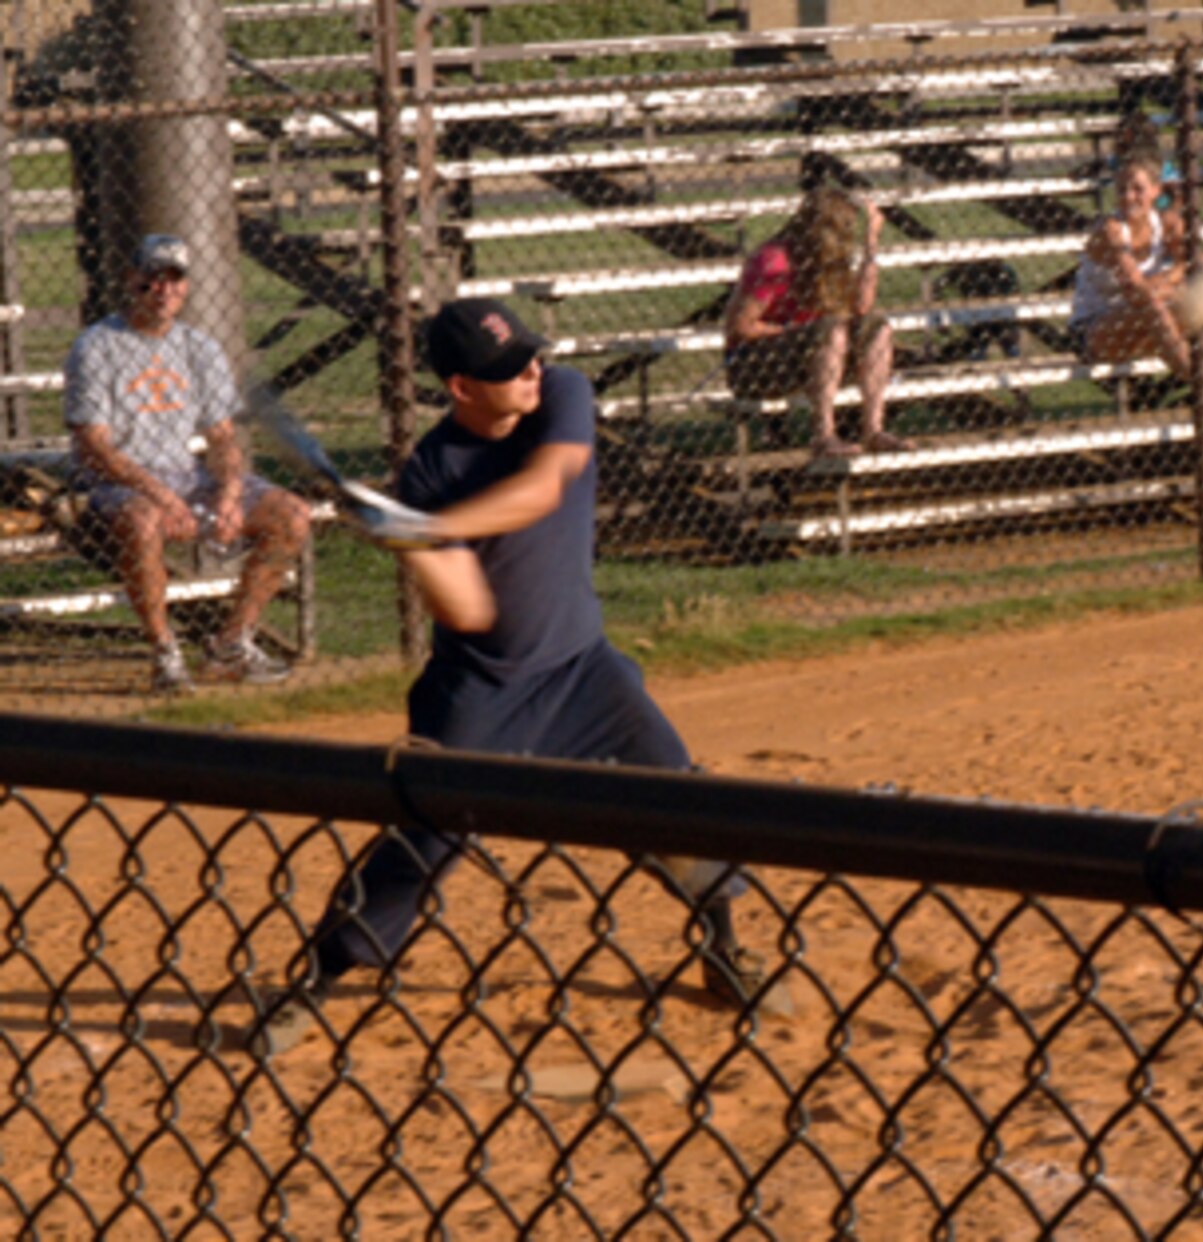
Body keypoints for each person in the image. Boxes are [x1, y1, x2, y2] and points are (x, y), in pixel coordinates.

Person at [251, 297, 773, 1055]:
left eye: (529, 354)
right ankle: (318, 980)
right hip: (483, 690)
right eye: (506, 369)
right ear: (462, 386)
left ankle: (724, 943)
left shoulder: (561, 394)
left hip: (585, 670)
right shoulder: (432, 469)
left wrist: (429, 527)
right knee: (422, 842)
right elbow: (468, 608)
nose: (531, 370)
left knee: (674, 793)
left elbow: (546, 487)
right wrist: (408, 544)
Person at [62, 234, 312, 694]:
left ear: (186, 287)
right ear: (131, 279)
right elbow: (95, 446)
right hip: (117, 481)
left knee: (292, 514)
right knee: (143, 520)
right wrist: (162, 497)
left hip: (185, 473)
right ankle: (165, 653)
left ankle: (231, 643)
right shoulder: (96, 346)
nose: (162, 289)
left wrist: (231, 494)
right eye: (151, 278)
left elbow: (221, 437)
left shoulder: (199, 347)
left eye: (173, 279)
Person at [1072, 155, 1203, 423]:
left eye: (1138, 189)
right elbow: (1137, 294)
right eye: (1121, 189)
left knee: (1199, 307)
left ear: (1156, 190)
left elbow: (1199, 265)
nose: (1128, 196)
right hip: (1098, 332)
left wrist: (1170, 280)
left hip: (1152, 326)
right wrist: (1176, 276)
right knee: (1157, 305)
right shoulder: (1112, 230)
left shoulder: (1166, 223)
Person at [724, 187, 908, 459]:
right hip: (755, 362)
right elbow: (739, 327)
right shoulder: (774, 260)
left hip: (822, 354)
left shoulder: (831, 260)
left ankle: (873, 429)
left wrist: (871, 245)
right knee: (831, 331)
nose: (848, 239)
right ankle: (824, 435)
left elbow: (862, 307)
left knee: (877, 328)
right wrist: (795, 333)